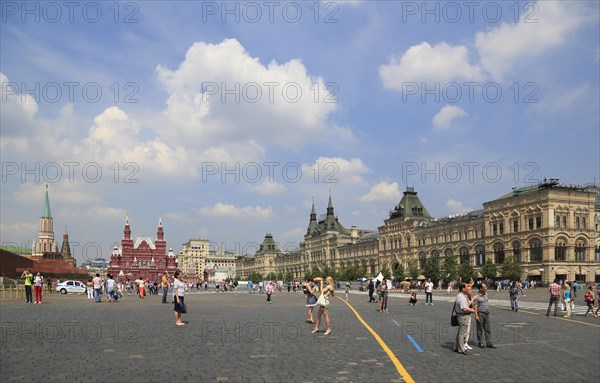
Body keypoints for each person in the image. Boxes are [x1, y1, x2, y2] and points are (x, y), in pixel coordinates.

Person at [454, 283, 476, 355]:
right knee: (462, 333)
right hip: (463, 316)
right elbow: (464, 309)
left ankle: (457, 347)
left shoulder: (461, 296)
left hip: (462, 315)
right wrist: (472, 310)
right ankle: (461, 349)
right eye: (466, 287)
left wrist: (470, 308)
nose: (468, 288)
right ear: (463, 289)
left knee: (460, 333)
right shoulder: (461, 296)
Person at [474, 283, 497, 348]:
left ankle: (489, 343)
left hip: (486, 314)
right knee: (480, 329)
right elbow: (475, 307)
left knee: (487, 329)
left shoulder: (486, 294)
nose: (486, 288)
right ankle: (480, 342)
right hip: (480, 314)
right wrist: (476, 316)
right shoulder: (477, 297)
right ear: (481, 289)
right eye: (485, 287)